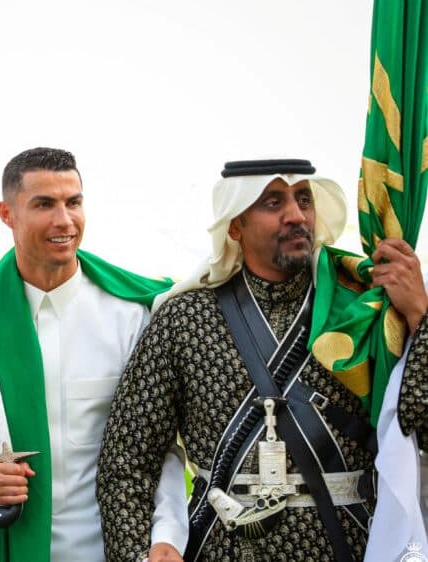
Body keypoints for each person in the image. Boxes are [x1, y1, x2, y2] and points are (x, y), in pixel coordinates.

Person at [96, 158, 428, 561]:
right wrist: (136, 556)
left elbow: (420, 427)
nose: (296, 215)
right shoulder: (183, 319)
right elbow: (128, 459)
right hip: (223, 548)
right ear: (235, 226)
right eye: (273, 203)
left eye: (303, 199)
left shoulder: (362, 310)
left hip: (346, 545)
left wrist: (419, 318)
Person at [0, 147, 189, 561]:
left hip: (117, 550)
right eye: (44, 204)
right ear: (6, 213)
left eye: (74, 202)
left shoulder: (132, 316)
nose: (64, 220)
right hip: (5, 545)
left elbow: (160, 447)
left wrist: (168, 536)